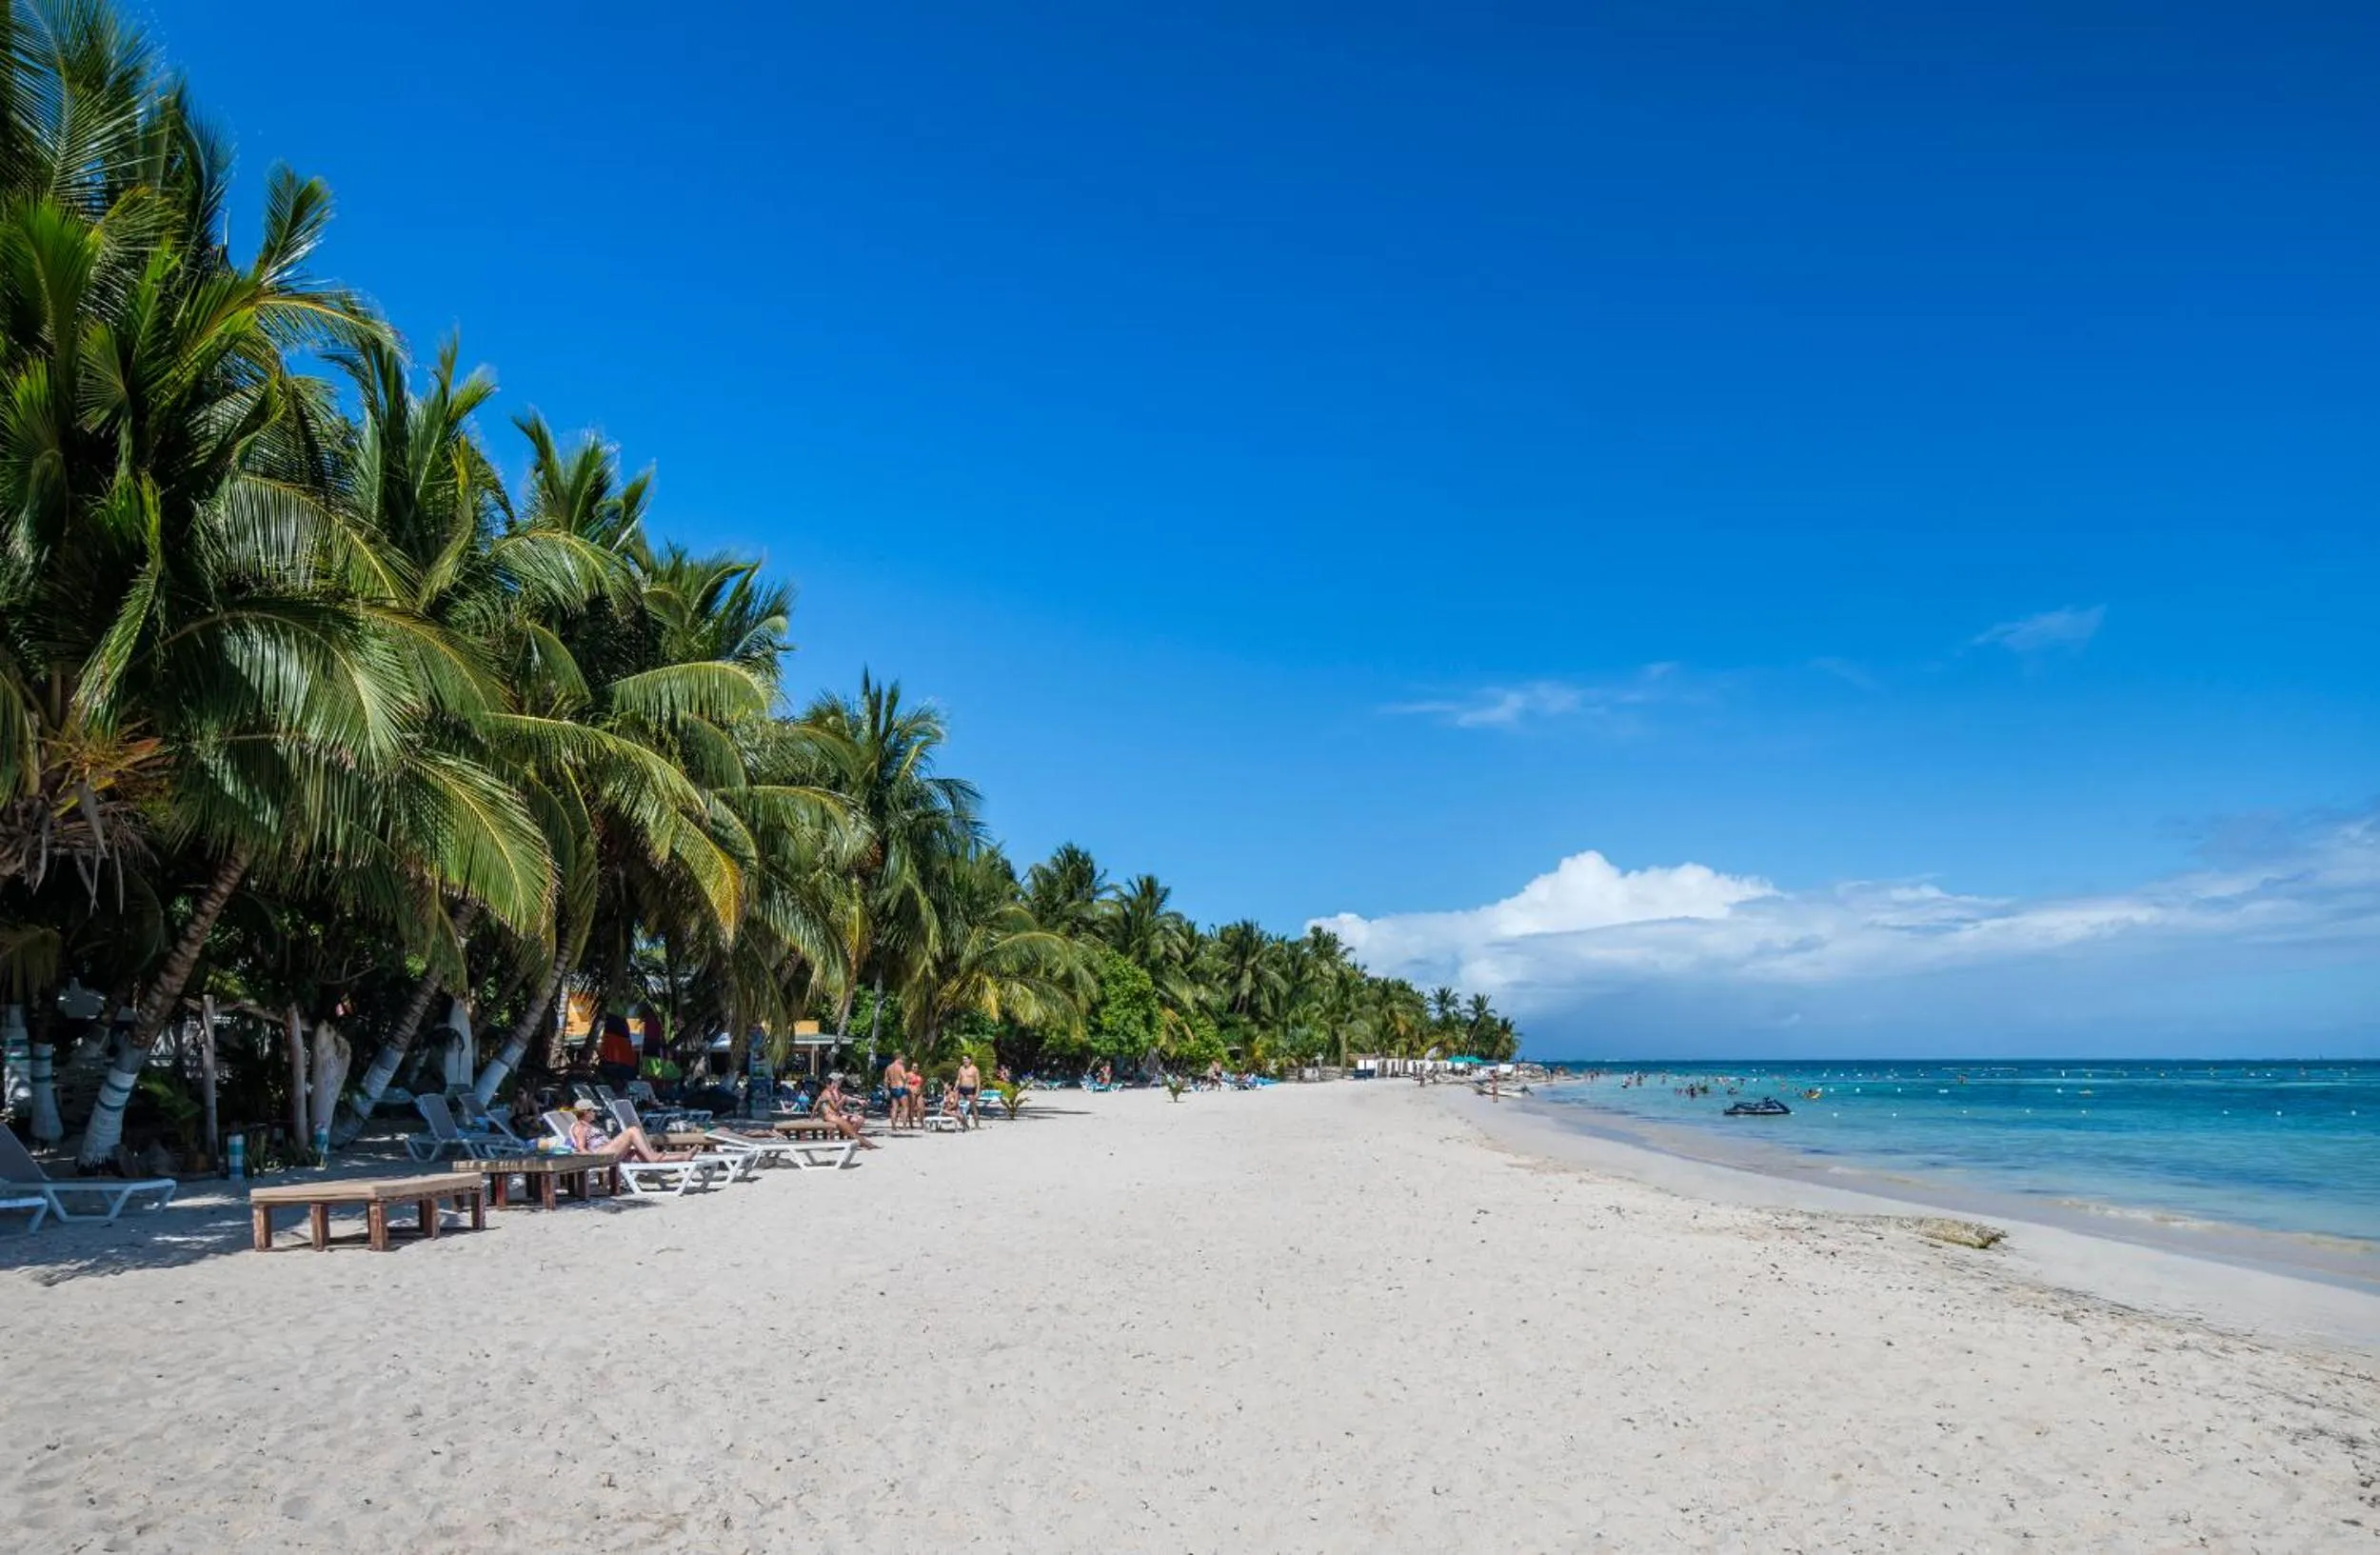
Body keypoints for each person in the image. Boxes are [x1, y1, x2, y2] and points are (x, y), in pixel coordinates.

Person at [565, 1100, 689, 1162]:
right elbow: (581, 1148)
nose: (595, 1113)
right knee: (632, 1131)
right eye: (593, 1111)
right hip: (600, 1155)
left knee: (639, 1154)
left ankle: (683, 1156)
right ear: (585, 1112)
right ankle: (652, 1156)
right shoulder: (580, 1126)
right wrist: (595, 1160)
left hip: (607, 1151)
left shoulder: (590, 1125)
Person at [813, 1075, 880, 1149]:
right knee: (851, 1132)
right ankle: (868, 1144)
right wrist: (842, 1099)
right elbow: (835, 1108)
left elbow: (816, 1106)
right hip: (831, 1116)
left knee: (851, 1131)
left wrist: (812, 1117)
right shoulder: (827, 1093)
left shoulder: (825, 1092)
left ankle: (867, 1144)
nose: (834, 1086)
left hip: (831, 1116)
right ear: (828, 1085)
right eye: (832, 1084)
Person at [883, 1055, 911, 1131]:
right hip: (901, 1088)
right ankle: (904, 1127)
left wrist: (886, 1090)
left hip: (893, 1088)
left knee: (894, 1108)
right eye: (903, 1059)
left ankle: (893, 1126)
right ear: (898, 1059)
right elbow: (904, 1077)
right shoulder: (900, 1066)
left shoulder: (889, 1067)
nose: (903, 1061)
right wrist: (907, 1080)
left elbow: (885, 1080)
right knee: (905, 1107)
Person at [955, 1056, 982, 1129]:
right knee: (961, 1108)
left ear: (970, 1060)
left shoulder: (974, 1069)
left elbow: (978, 1082)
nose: (964, 1061)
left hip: (970, 1089)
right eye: (963, 1059)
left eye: (966, 1059)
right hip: (962, 1089)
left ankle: (977, 1125)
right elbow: (958, 1079)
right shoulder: (961, 1068)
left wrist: (977, 1092)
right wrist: (955, 1087)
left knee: (973, 1108)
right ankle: (964, 1124)